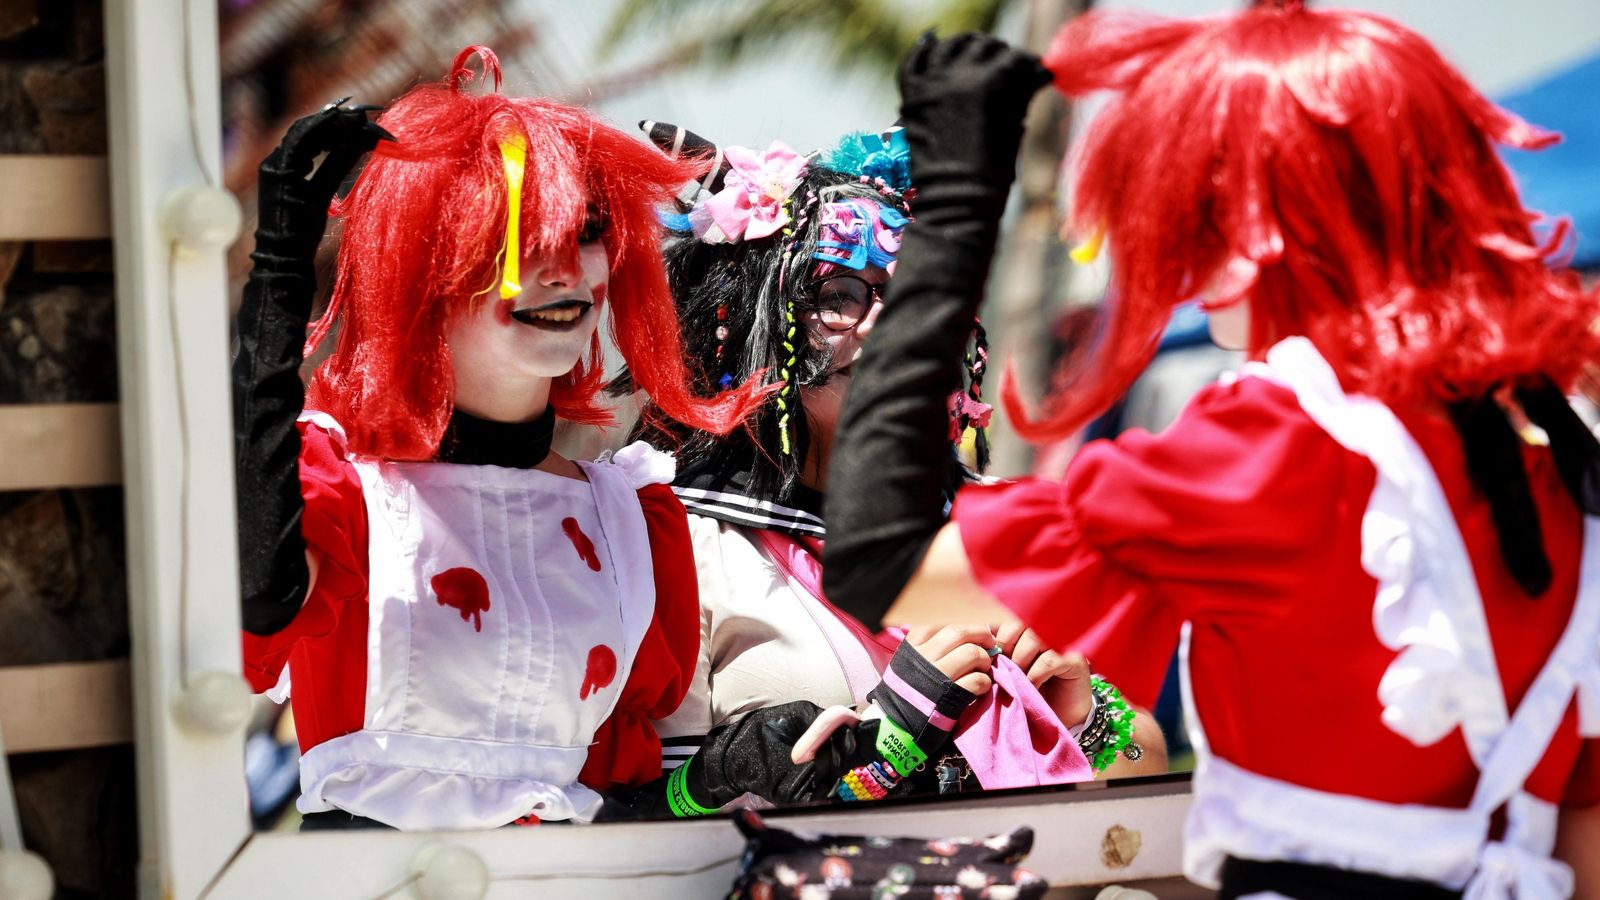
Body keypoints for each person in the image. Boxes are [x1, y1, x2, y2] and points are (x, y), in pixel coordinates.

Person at [821, 10, 1600, 899]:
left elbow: (888, 563)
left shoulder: (1276, 441)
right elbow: (1583, 830)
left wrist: (959, 208)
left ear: (1254, 220)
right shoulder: (1547, 444)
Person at [230, 46, 770, 830]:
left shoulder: (631, 521)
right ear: (420, 268)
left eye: (585, 230)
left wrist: (724, 775)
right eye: (514, 239)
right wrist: (277, 274)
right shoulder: (342, 493)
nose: (561, 270)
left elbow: (630, 797)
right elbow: (257, 606)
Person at [626, 122, 1165, 809]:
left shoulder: (1008, 524)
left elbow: (1147, 778)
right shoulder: (679, 542)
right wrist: (892, 736)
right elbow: (638, 820)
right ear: (753, 320)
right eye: (839, 296)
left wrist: (1083, 714)